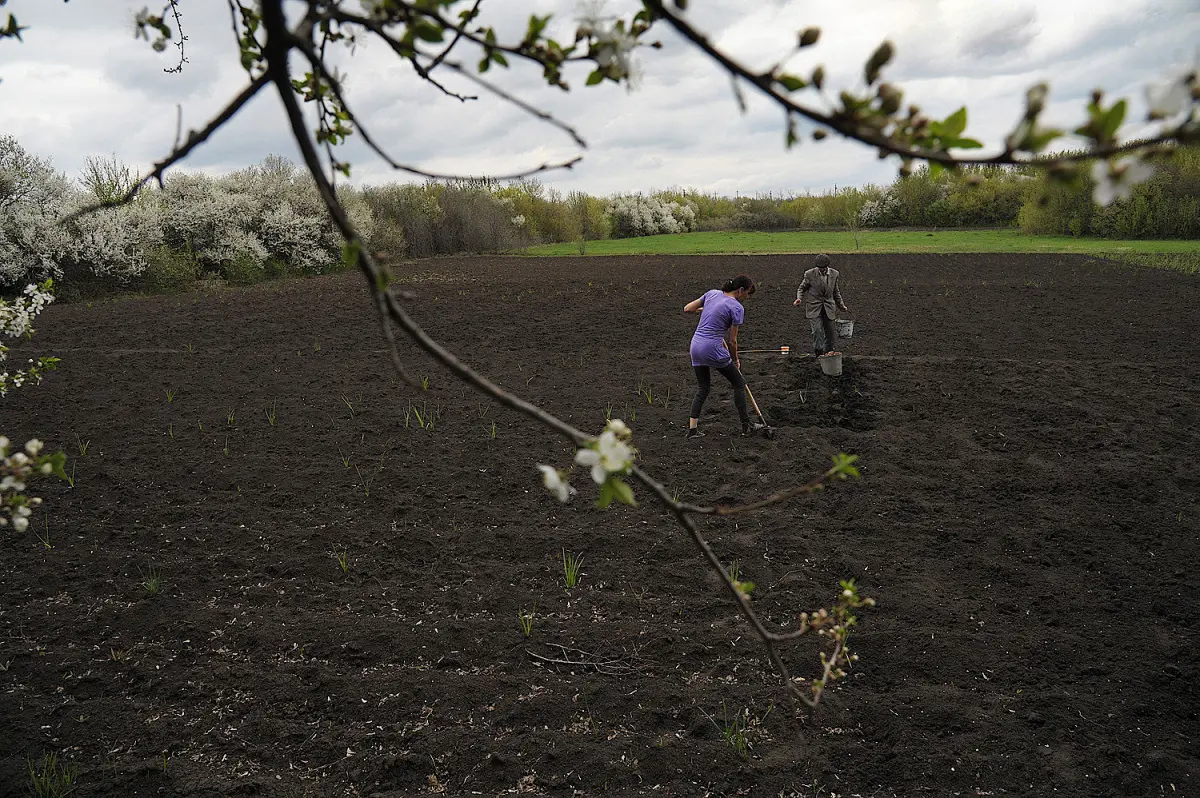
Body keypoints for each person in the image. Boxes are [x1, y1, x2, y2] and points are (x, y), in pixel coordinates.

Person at [683, 275, 766, 438]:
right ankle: (746, 425)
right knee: (739, 384)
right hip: (712, 348)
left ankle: (692, 429)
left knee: (703, 388)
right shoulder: (736, 307)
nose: (748, 298)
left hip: (695, 346)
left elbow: (688, 308)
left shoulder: (712, 293)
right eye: (748, 294)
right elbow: (732, 341)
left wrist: (707, 310)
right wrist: (735, 360)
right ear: (741, 290)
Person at [794, 253, 850, 358]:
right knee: (817, 331)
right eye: (820, 268)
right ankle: (818, 353)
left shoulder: (834, 274)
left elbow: (836, 291)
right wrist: (799, 298)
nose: (822, 270)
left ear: (827, 267)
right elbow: (801, 288)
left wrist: (841, 306)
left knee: (830, 333)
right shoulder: (809, 274)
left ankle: (828, 354)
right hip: (814, 307)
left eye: (824, 268)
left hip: (829, 307)